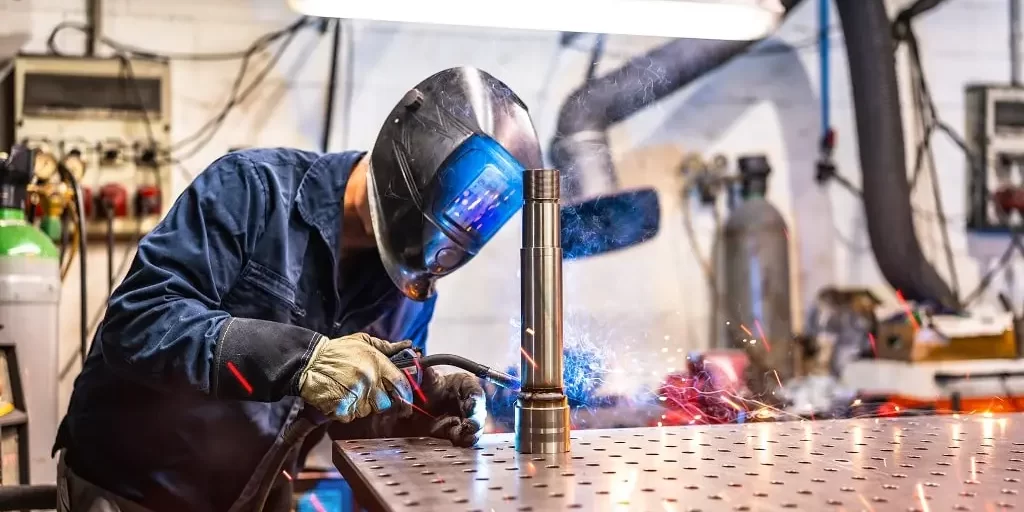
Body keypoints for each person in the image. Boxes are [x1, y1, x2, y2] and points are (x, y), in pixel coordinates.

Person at [53, 67, 544, 512]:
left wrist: (424, 407)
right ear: (411, 158)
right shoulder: (252, 191)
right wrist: (298, 359)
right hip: (128, 492)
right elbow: (138, 323)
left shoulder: (406, 287)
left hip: (254, 494)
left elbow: (356, 410)